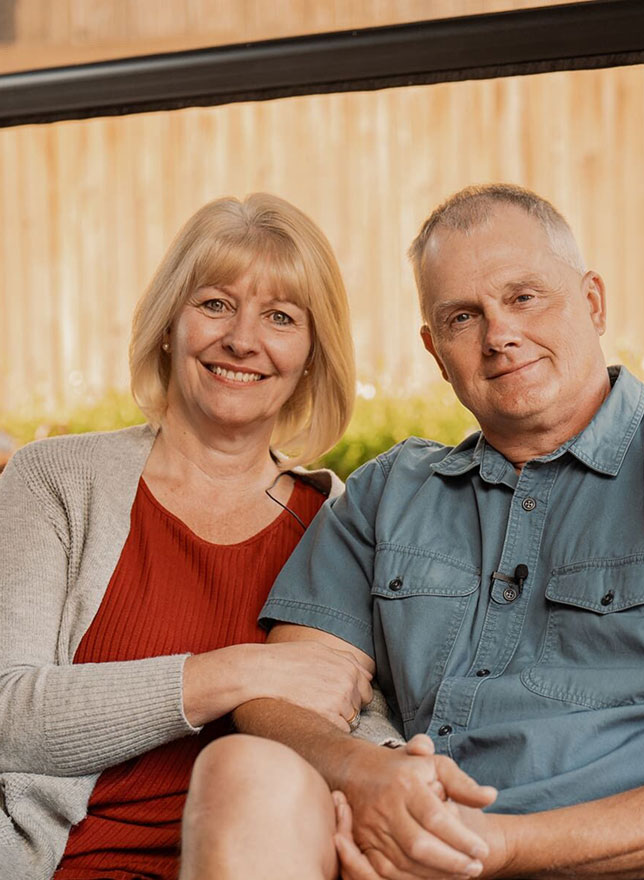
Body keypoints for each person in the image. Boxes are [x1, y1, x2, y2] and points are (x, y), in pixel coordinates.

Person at [218, 184, 644, 880]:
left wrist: (494, 847)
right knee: (241, 768)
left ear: (593, 302)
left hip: (613, 864)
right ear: (435, 351)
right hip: (396, 857)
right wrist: (368, 774)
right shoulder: (389, 494)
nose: (500, 336)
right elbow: (276, 698)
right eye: (463, 316)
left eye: (525, 297)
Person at [0, 192, 378, 880]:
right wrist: (239, 671)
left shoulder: (337, 522)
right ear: (170, 323)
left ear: (310, 357)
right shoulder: (54, 479)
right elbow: (9, 714)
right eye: (214, 304)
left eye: (280, 317)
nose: (242, 339)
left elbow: (358, 714)